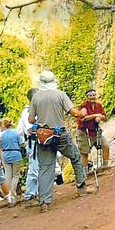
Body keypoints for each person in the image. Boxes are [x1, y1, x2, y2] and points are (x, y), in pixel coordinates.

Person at [29, 70, 88, 212]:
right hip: (60, 134)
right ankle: (82, 188)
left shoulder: (36, 97)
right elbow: (74, 113)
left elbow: (31, 120)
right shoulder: (60, 94)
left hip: (43, 136)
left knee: (45, 168)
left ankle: (44, 202)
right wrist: (82, 113)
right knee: (75, 156)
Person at [77, 88, 111, 171]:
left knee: (106, 146)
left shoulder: (98, 105)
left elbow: (104, 116)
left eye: (93, 95)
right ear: (87, 97)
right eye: (90, 96)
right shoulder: (83, 106)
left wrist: (100, 118)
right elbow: (81, 119)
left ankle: (105, 167)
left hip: (96, 131)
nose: (92, 97)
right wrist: (95, 115)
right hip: (84, 132)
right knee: (84, 153)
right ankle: (84, 172)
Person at [17, 88, 39, 207]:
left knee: (41, 167)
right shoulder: (27, 112)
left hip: (42, 141)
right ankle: (30, 194)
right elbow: (29, 129)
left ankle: (39, 191)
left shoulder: (39, 109)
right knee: (34, 168)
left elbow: (19, 130)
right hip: (34, 142)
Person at [0, 117, 23, 207]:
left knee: (7, 176)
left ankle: (8, 195)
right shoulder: (16, 133)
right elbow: (21, 143)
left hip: (5, 155)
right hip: (16, 154)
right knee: (16, 175)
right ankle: (13, 194)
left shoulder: (1, 135)